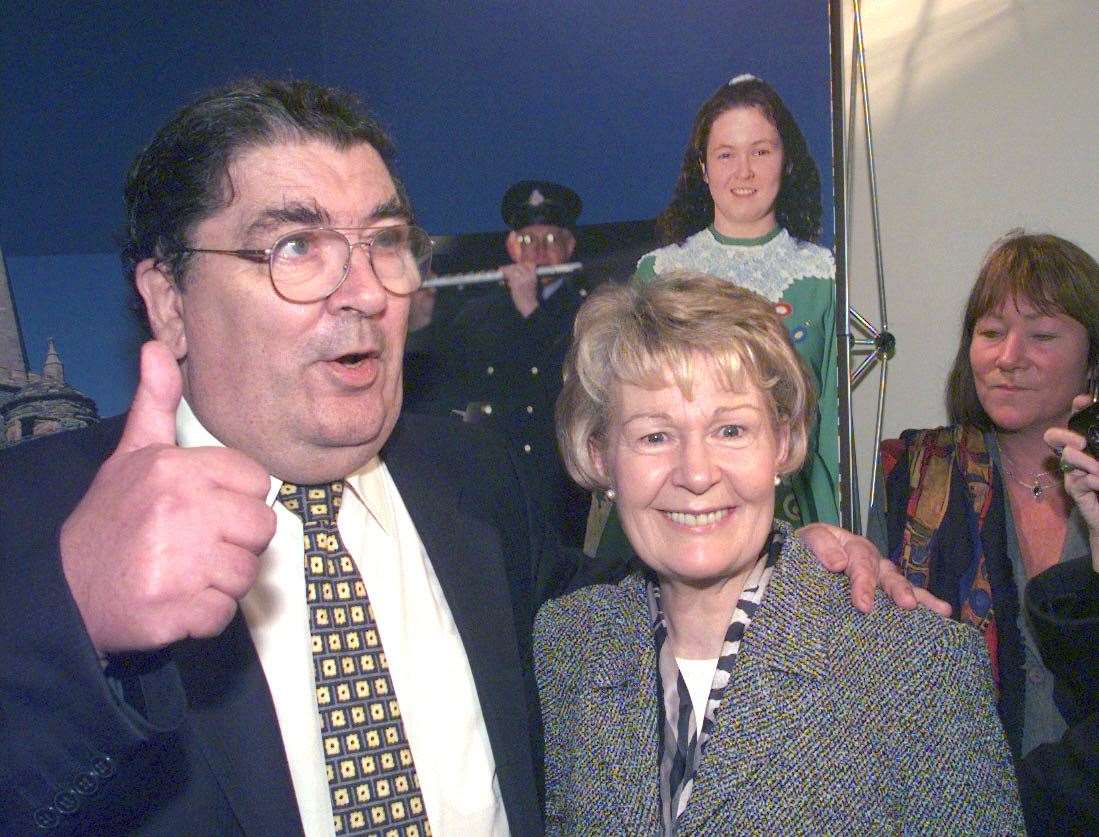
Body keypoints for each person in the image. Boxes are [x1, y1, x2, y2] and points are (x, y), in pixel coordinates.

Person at [0, 78, 549, 836]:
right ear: (169, 299)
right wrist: (75, 628)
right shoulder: (30, 520)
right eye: (296, 246)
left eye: (384, 241)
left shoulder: (477, 476)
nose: (363, 292)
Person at [536, 273, 1022, 834]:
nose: (696, 474)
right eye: (654, 436)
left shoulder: (917, 666)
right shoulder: (564, 648)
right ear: (600, 457)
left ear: (784, 443)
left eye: (731, 430)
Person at [867, 230, 1099, 831]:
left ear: (1093, 358)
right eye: (991, 332)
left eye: (1043, 335)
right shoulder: (910, 481)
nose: (1008, 356)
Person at [404, 180, 592, 548]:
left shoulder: (585, 310)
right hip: (492, 477)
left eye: (551, 241)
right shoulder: (481, 312)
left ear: (569, 247)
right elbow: (439, 387)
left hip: (557, 484)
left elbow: (567, 385)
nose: (538, 252)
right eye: (526, 241)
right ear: (510, 247)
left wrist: (530, 311)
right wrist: (421, 323)